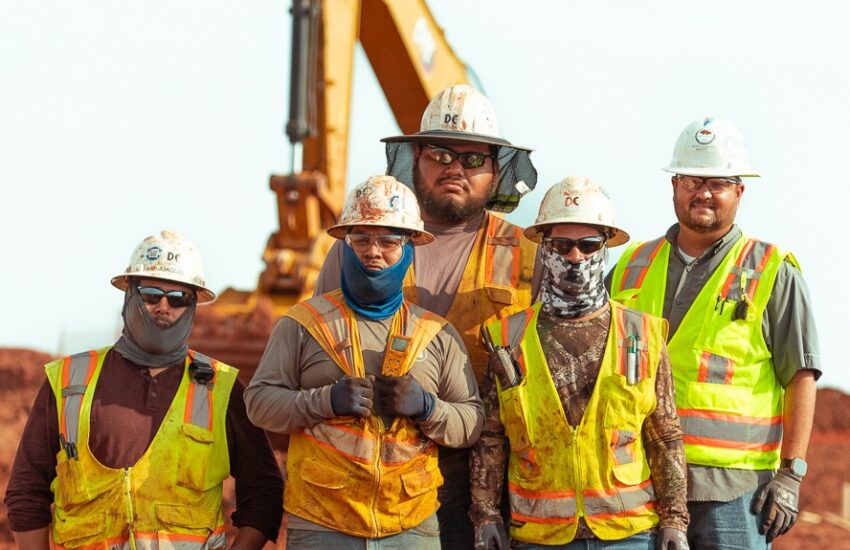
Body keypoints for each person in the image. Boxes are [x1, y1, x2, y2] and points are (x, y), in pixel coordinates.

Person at [313, 84, 539, 549]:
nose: (456, 168)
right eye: (440, 154)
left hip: (485, 475)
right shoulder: (359, 244)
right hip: (372, 470)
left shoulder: (530, 253)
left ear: (496, 171)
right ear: (415, 158)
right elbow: (320, 347)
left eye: (474, 159)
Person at [609, 117, 821, 548]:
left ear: (738, 192)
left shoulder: (771, 271)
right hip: (637, 480)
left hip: (732, 493)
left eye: (718, 183)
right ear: (674, 186)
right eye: (691, 180)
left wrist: (791, 474)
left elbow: (800, 376)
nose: (703, 193)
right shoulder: (631, 265)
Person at [245, 175, 484, 549]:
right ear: (346, 245)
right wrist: (324, 401)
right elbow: (259, 403)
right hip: (322, 522)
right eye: (361, 240)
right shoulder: (303, 323)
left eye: (389, 241)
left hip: (411, 525)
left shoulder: (437, 334)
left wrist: (427, 406)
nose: (374, 251)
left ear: (409, 249)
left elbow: (471, 423)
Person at [4, 230, 283, 549]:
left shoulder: (221, 388)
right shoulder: (70, 380)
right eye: (151, 294)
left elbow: (264, 492)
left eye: (178, 299)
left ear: (192, 305)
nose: (163, 307)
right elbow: (26, 490)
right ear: (130, 294)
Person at [471, 176, 690, 550]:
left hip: (628, 535)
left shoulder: (642, 335)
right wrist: (486, 515)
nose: (576, 257)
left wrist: (675, 520)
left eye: (589, 246)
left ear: (605, 249)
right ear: (543, 247)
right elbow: (491, 437)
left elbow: (664, 435)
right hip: (541, 535)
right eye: (562, 245)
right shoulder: (506, 338)